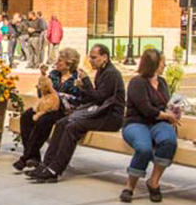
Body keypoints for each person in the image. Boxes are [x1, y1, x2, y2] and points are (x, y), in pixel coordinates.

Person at [28, 44, 124, 184]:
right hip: (99, 112)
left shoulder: (111, 74)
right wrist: (83, 88)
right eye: (90, 57)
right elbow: (92, 98)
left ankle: (55, 169)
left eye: (94, 57)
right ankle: (46, 165)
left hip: (110, 117)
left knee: (72, 127)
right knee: (62, 123)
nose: (91, 60)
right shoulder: (101, 72)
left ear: (105, 57)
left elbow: (99, 98)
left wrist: (85, 82)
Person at [121, 48, 179, 202]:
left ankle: (154, 181)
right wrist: (166, 115)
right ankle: (129, 186)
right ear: (153, 64)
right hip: (137, 122)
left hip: (158, 122)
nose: (164, 66)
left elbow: (165, 103)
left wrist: (173, 111)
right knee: (144, 148)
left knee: (169, 141)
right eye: (162, 63)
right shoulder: (137, 82)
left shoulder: (162, 82)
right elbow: (146, 109)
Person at [13, 48, 83, 171]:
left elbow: (77, 99)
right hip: (46, 106)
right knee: (26, 117)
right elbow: (42, 94)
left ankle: (26, 157)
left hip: (64, 110)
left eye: (60, 61)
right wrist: (42, 84)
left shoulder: (77, 79)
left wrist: (56, 94)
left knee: (44, 120)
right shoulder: (53, 74)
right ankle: (33, 156)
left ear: (69, 64)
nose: (57, 63)